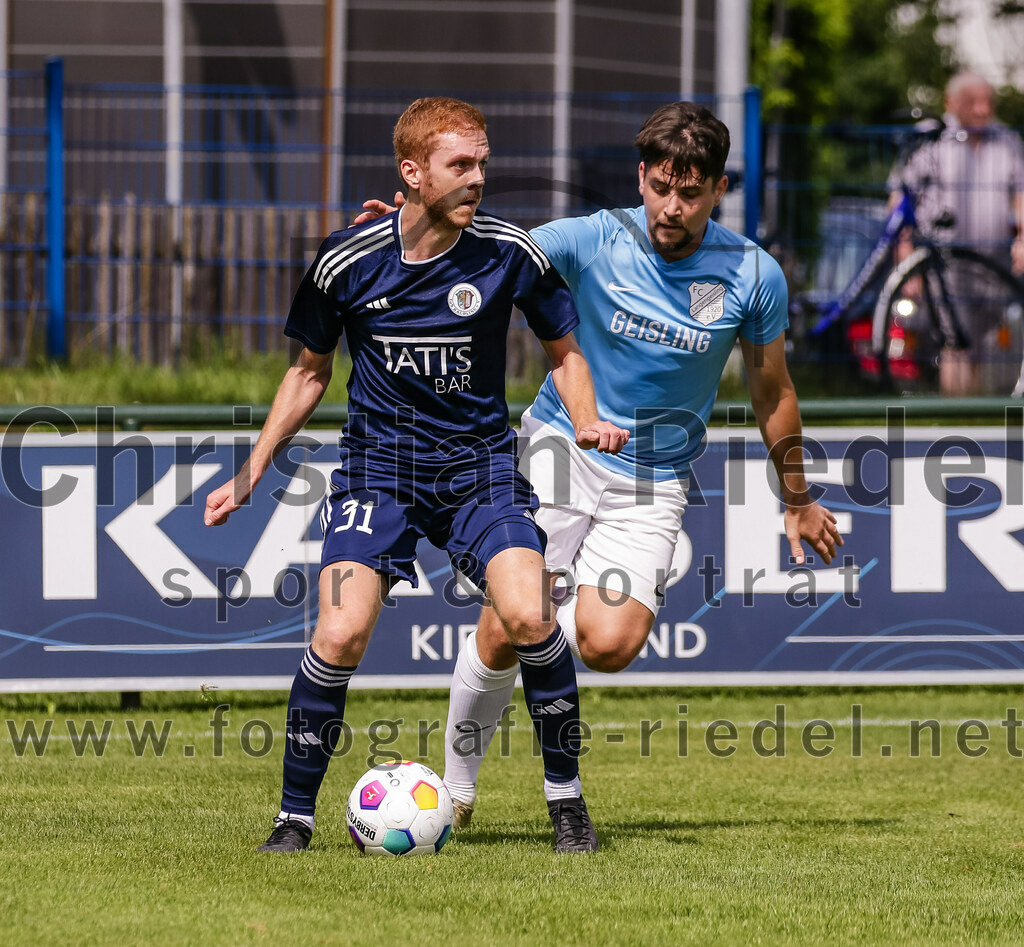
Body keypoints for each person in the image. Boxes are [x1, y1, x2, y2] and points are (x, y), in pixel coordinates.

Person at [358, 100, 843, 829]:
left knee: (608, 643)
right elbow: (487, 248)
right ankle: (454, 792)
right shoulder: (591, 238)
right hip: (561, 445)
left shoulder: (751, 274)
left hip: (653, 479)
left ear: (717, 190)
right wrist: (414, 222)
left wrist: (798, 496)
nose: (671, 206)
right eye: (659, 186)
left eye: (690, 191)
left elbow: (772, 390)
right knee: (510, 623)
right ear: (641, 176)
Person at [204, 96, 629, 854]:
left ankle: (566, 803)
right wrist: (250, 471)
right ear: (412, 173)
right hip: (379, 472)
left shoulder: (509, 252)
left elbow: (565, 350)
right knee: (339, 630)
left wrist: (588, 416)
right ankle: (293, 818)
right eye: (459, 165)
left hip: (481, 470)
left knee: (531, 615)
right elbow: (307, 372)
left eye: (483, 164)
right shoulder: (348, 259)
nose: (478, 179)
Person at [887, 72, 1024, 395]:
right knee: (955, 342)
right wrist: (905, 260)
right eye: (972, 103)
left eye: (987, 102)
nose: (981, 110)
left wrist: (1022, 238)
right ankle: (958, 416)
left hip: (995, 264)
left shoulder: (1007, 141)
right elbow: (900, 199)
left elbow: (1021, 195)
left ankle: (982, 415)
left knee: (989, 342)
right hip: (945, 264)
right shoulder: (929, 138)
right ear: (952, 104)